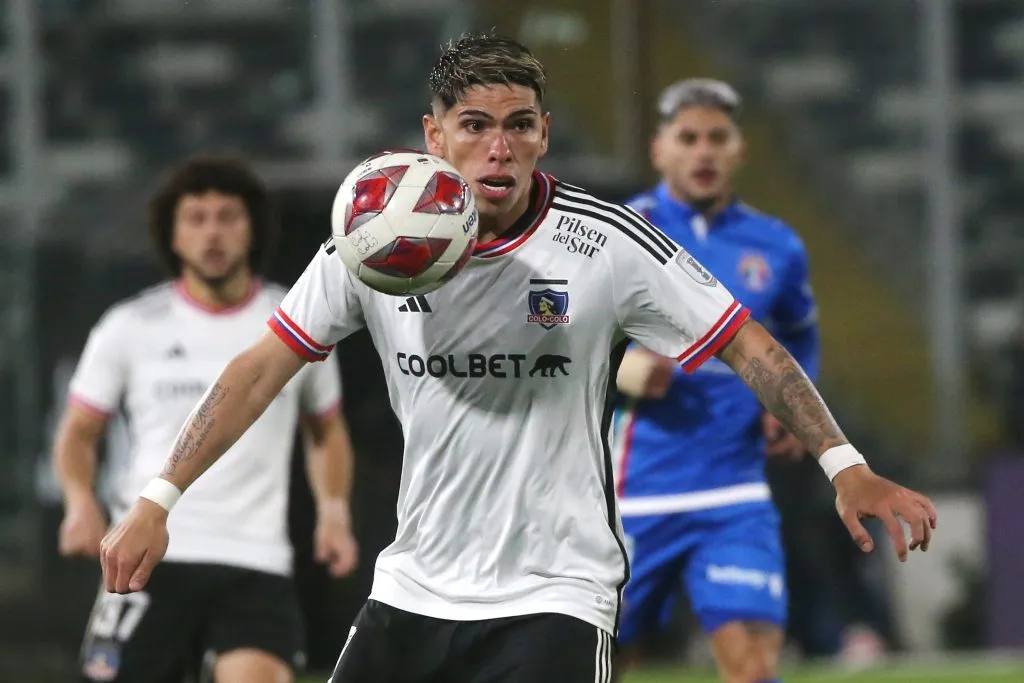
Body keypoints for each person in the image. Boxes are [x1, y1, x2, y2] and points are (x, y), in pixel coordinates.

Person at [97, 34, 936, 683]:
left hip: (555, 592)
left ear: (543, 134)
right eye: (474, 126)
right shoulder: (372, 239)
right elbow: (258, 370)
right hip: (414, 585)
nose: (498, 148)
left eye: (518, 125)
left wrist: (844, 463)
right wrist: (158, 497)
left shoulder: (606, 244)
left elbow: (749, 342)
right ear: (434, 134)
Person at [53, 155, 359, 683]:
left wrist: (334, 510)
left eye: (227, 217)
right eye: (196, 218)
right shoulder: (129, 325)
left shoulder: (295, 321)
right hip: (148, 552)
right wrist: (79, 501)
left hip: (254, 561)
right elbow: (79, 431)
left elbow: (325, 429)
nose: (212, 233)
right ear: (172, 235)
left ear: (253, 228)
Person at [610, 78, 824, 682]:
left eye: (717, 138)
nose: (703, 152)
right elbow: (556, 337)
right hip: (630, 495)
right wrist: (619, 368)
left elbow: (800, 334)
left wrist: (792, 406)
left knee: (753, 670)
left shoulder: (776, 245)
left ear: (739, 150)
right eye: (688, 138)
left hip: (735, 493)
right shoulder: (618, 234)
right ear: (659, 150)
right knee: (598, 665)